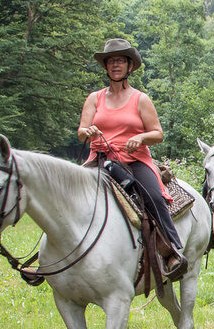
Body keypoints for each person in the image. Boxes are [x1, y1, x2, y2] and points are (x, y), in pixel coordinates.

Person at [78, 38, 187, 280]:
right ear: (106, 66)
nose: (115, 65)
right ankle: (52, 254)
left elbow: (157, 134)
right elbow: (82, 131)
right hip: (99, 158)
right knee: (67, 192)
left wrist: (140, 137)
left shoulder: (140, 99)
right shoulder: (94, 98)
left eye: (120, 60)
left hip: (134, 160)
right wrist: (89, 131)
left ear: (129, 66)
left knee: (153, 197)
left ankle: (170, 250)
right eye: (110, 61)